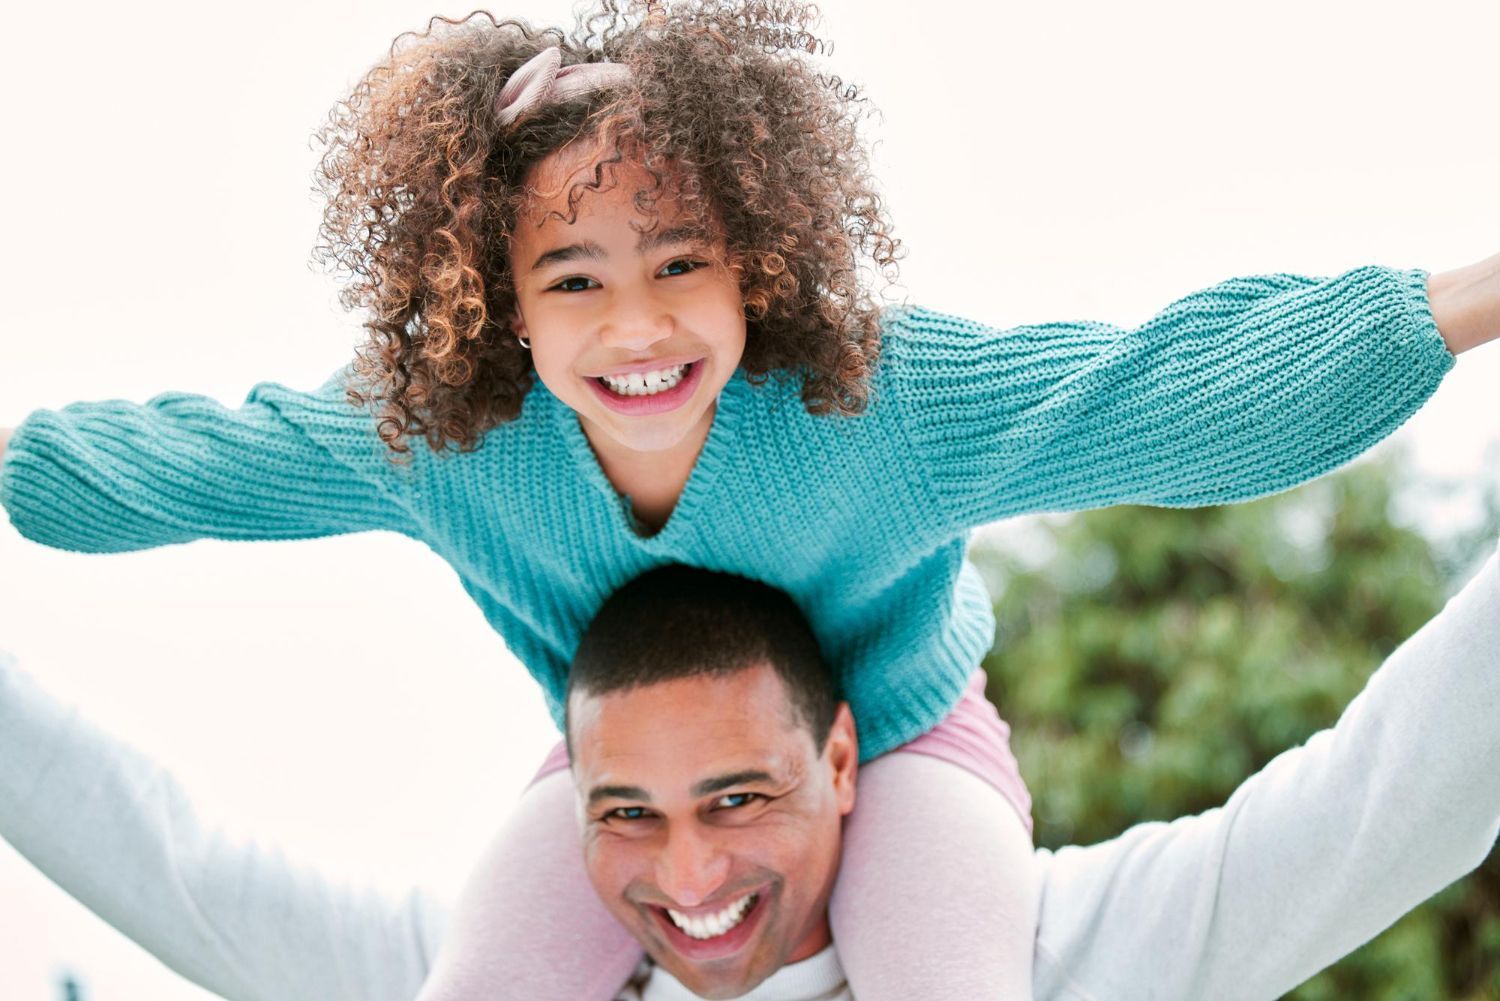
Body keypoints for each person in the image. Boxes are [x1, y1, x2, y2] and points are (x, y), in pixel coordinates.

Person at [1, 3, 1497, 998]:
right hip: (610, 745)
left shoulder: (880, 401)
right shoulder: (441, 440)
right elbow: (204, 458)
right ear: (497, 310)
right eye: (573, 283)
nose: (636, 330)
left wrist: (1465, 302)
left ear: (757, 268)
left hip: (912, 745)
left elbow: (1158, 392)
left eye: (680, 268)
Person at [3, 556, 1498, 999]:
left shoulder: (1046, 950)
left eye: (738, 799)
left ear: (846, 760)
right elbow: (164, 851)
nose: (692, 879)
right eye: (627, 815)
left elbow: (1389, 795)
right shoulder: (471, 970)